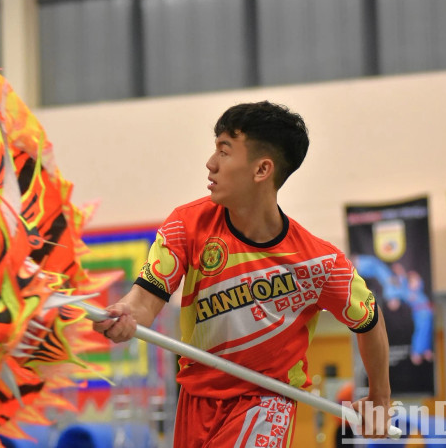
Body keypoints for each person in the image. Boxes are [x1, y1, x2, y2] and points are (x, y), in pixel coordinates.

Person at [93, 101, 391, 447]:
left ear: (262, 170)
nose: (210, 164)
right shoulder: (186, 225)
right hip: (195, 400)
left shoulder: (320, 263)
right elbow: (144, 300)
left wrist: (380, 397)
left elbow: (369, 321)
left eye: (224, 151)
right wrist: (127, 314)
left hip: (267, 402)